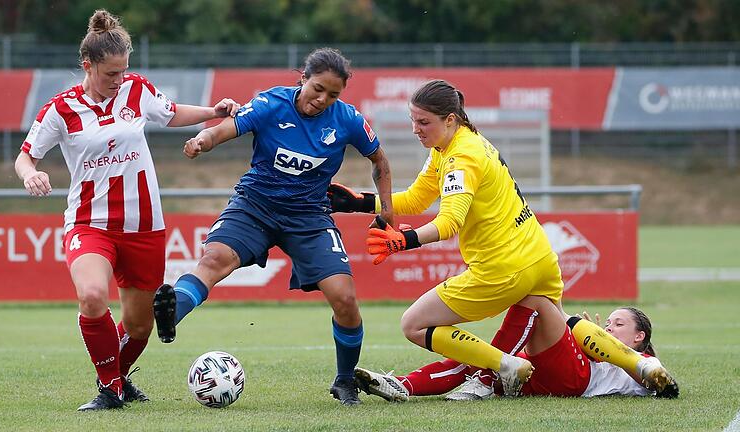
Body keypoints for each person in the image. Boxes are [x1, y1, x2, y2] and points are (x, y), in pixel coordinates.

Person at [329, 79, 677, 398]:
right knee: (562, 325)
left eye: (423, 122)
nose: (415, 129)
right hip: (540, 257)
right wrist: (363, 202)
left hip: (503, 267)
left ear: (450, 119)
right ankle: (641, 364)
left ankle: (504, 368)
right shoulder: (456, 145)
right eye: (413, 120)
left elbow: (449, 222)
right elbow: (417, 199)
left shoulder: (462, 157)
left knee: (414, 324)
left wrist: (404, 241)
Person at [14, 9, 240, 411]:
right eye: (111, 73)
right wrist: (30, 174)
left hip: (145, 225)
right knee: (93, 296)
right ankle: (111, 389)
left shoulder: (136, 90)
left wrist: (213, 112)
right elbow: (26, 156)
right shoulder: (59, 110)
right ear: (88, 65)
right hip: (89, 223)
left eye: (123, 71)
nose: (119, 80)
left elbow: (171, 114)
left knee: (139, 325)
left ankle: (118, 380)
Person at [152, 47, 394, 406]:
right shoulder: (271, 103)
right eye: (317, 89)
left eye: (333, 94)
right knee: (215, 258)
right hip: (255, 207)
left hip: (309, 217)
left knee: (345, 299)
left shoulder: (349, 120)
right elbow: (227, 128)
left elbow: (380, 162)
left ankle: (344, 381)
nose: (323, 99)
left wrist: (387, 213)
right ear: (302, 78)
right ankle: (172, 314)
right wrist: (202, 141)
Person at [353, 296, 679, 400]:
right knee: (482, 358)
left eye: (618, 324)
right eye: (607, 323)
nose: (609, 328)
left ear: (640, 337)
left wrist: (602, 348)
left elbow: (660, 386)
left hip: (574, 379)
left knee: (538, 300)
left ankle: (488, 377)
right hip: (540, 379)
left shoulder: (648, 359)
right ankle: (403, 385)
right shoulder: (597, 345)